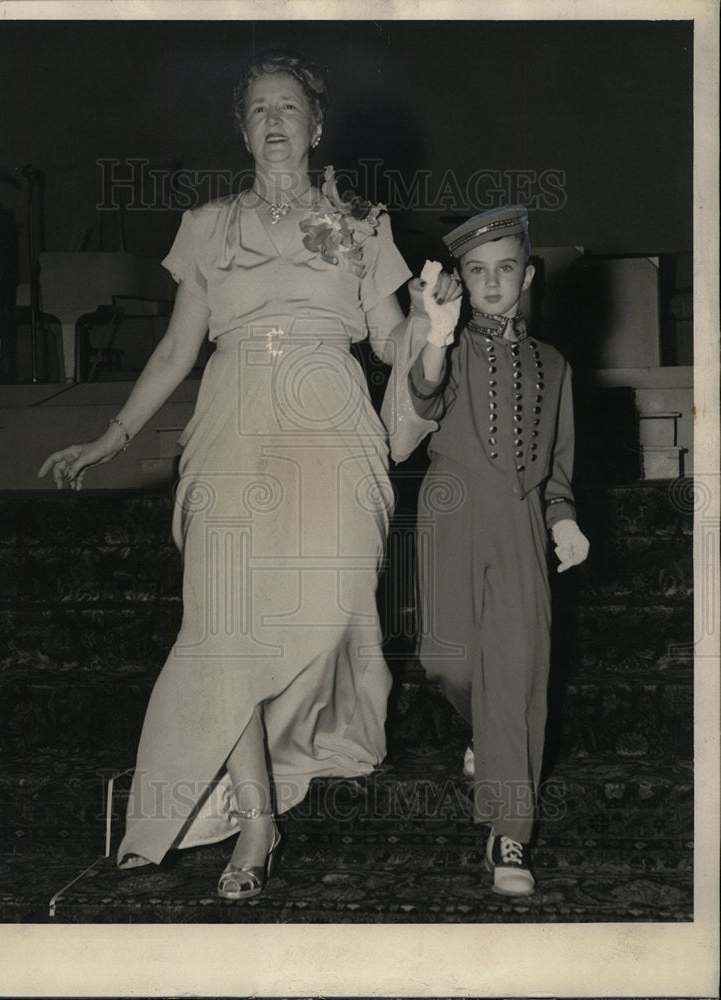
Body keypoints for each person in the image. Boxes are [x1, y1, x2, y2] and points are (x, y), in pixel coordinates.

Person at [38, 50, 425, 900]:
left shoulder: (361, 219)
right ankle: (256, 819)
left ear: (316, 127)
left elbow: (390, 340)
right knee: (223, 624)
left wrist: (431, 324)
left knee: (337, 594)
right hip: (234, 417)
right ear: (243, 131)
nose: (275, 121)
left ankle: (285, 762)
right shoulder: (207, 223)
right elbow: (178, 346)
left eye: (289, 107)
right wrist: (116, 432)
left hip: (330, 416)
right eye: (257, 110)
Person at [382, 206, 589, 897]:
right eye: (477, 272)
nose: (493, 283)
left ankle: (509, 833)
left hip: (522, 521)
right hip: (451, 509)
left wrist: (562, 519)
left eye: (505, 269)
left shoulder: (555, 365)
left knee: (521, 669)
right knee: (448, 660)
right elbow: (423, 392)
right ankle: (490, 739)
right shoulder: (448, 342)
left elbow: (558, 465)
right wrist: (435, 337)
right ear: (463, 282)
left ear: (527, 275)